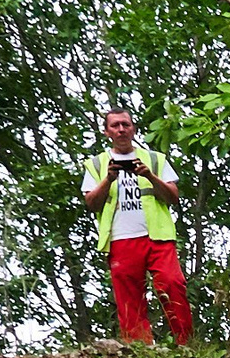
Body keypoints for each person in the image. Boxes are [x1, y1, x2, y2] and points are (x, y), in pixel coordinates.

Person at [81, 107, 191, 345]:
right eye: (115, 126)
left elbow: (173, 196)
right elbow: (91, 203)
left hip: (157, 237)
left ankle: (186, 346)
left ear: (133, 128)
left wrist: (150, 175)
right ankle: (140, 351)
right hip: (121, 239)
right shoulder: (97, 164)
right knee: (129, 299)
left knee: (173, 285)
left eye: (125, 124)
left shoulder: (154, 159)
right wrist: (109, 179)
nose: (121, 130)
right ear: (106, 132)